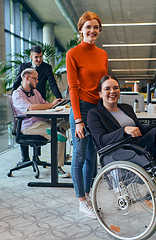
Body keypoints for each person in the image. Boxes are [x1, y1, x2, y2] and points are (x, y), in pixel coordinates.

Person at [66, 11, 108, 219]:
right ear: (81, 29)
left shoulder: (102, 54)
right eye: (88, 27)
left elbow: (104, 85)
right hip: (81, 109)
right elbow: (73, 88)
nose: (92, 31)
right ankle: (81, 201)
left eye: (96, 27)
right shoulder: (73, 54)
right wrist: (78, 120)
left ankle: (87, 195)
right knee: (80, 155)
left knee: (93, 156)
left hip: (97, 109)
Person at [11, 46, 69, 175]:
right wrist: (14, 95)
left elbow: (50, 90)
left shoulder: (36, 91)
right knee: (59, 137)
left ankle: (58, 128)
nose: (38, 81)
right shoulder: (18, 93)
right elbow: (30, 108)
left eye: (40, 56)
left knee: (70, 119)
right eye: (35, 79)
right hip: (29, 124)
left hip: (41, 117)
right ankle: (56, 167)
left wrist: (57, 103)